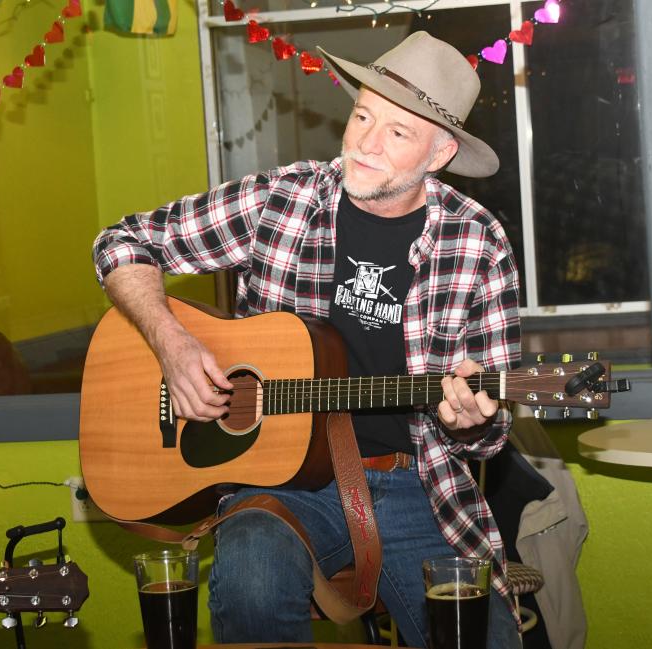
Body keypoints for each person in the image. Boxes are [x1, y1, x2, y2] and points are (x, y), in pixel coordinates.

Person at [93, 31, 522, 649]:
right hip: (280, 479)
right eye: (362, 117)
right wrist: (173, 345)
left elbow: (490, 433)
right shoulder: (282, 201)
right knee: (249, 578)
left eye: (398, 133)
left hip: (417, 482)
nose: (365, 145)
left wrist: (469, 419)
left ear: (440, 152)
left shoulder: (478, 243)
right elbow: (120, 243)